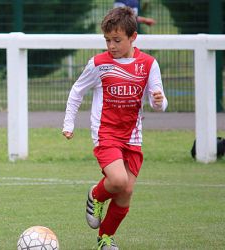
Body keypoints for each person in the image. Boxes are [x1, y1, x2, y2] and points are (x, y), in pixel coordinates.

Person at [62, 7, 167, 250]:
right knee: (118, 180)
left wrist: (159, 101)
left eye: (117, 40)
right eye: (107, 40)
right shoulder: (99, 64)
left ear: (133, 37)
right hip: (105, 133)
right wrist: (68, 123)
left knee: (126, 190)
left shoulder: (149, 64)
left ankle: (105, 239)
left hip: (132, 136)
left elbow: (157, 102)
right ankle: (96, 195)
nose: (111, 46)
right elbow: (77, 91)